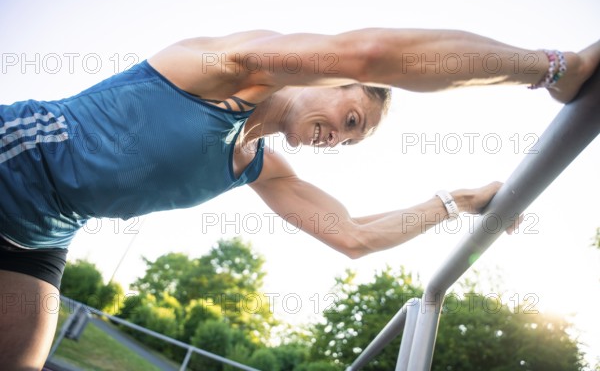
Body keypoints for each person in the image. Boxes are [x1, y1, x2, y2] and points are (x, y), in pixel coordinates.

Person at [1, 28, 599, 370]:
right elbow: (372, 55)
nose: (336, 138)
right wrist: (553, 68)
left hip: (44, 234)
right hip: (15, 159)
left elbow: (352, 236)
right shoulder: (228, 70)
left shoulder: (258, 166)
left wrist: (457, 200)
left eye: (349, 139)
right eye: (349, 116)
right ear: (329, 80)